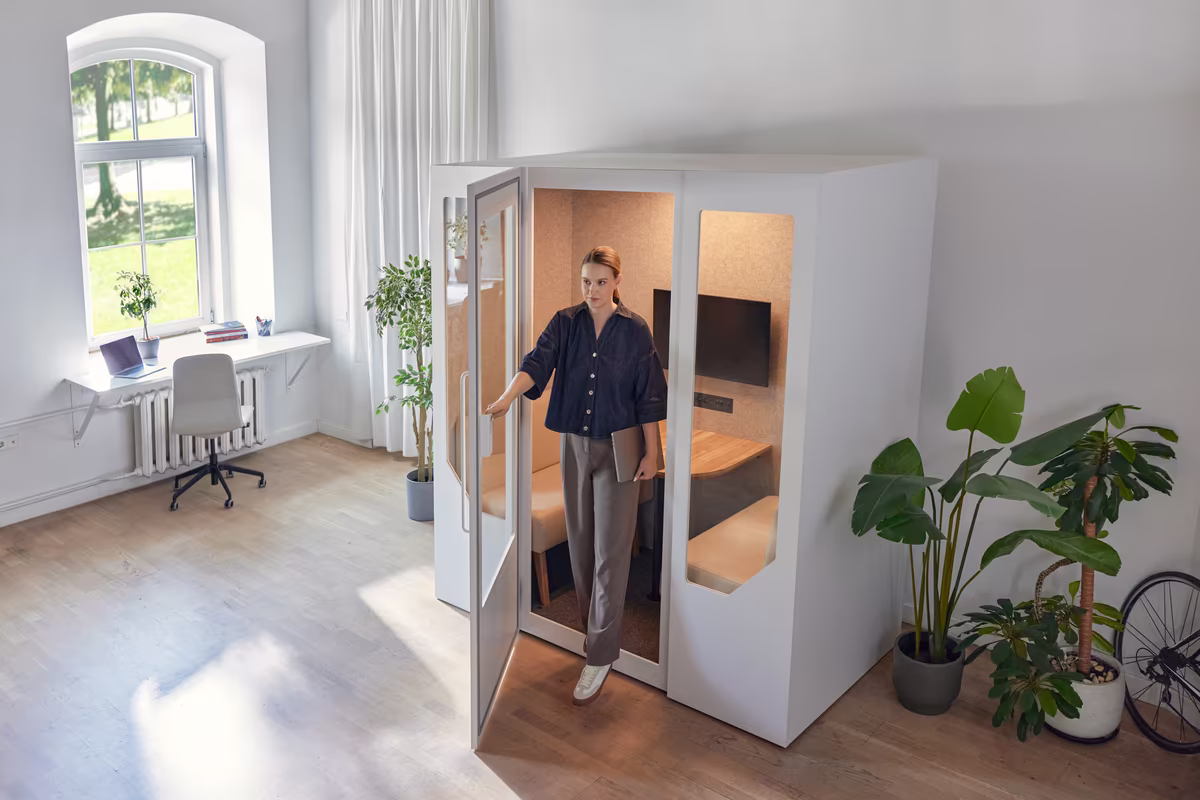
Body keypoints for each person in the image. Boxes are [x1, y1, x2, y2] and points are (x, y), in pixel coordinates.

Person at [485, 245, 667, 705]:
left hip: (620, 448)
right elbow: (536, 362)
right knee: (582, 545)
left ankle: (601, 654)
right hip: (574, 447)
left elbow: (649, 397)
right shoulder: (565, 323)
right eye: (586, 281)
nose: (592, 290)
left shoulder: (635, 330)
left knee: (611, 551)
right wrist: (507, 398)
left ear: (617, 282)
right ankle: (594, 636)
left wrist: (654, 451)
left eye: (601, 282)